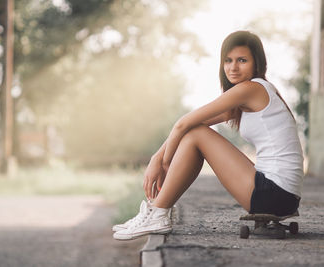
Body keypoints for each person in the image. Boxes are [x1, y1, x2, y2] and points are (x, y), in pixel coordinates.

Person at [113, 31, 304, 241]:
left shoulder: (251, 89)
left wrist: (163, 162)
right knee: (196, 132)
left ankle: (158, 212)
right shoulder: (251, 95)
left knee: (196, 134)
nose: (233, 67)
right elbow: (191, 125)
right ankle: (158, 211)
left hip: (273, 193)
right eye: (228, 60)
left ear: (256, 64)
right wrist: (157, 157)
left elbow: (182, 124)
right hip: (283, 196)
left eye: (242, 60)